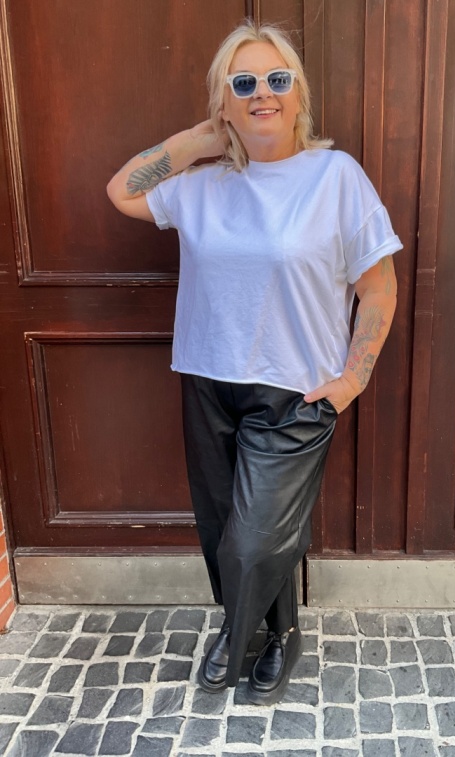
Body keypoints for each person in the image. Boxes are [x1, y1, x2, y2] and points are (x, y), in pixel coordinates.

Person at [107, 20, 402, 705]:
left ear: (299, 94)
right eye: (243, 83)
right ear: (225, 101)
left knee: (254, 541)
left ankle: (235, 635)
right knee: (223, 532)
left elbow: (378, 286)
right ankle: (280, 633)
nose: (262, 92)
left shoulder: (336, 177)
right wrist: (201, 139)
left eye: (276, 79)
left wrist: (353, 378)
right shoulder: (202, 184)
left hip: (295, 391)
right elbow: (121, 191)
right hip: (209, 381)